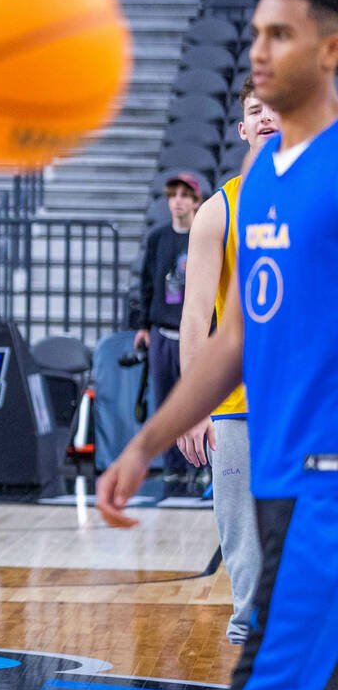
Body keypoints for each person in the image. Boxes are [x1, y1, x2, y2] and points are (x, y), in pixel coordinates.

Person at [98, 0, 338, 690]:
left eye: (282, 34)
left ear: (331, 50)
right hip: (274, 469)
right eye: (256, 35)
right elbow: (233, 335)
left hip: (326, 483)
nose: (260, 53)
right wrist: (146, 440)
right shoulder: (257, 191)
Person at [174, 76, 278, 646]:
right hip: (238, 406)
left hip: (311, 403)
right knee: (245, 544)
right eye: (255, 111)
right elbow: (194, 320)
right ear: (242, 129)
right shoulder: (218, 210)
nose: (266, 117)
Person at [134, 170, 204, 497]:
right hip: (162, 333)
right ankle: (173, 470)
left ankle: (201, 468)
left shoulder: (204, 235)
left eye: (184, 195)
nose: (177, 201)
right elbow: (147, 284)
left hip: (196, 335)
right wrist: (143, 326)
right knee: (165, 405)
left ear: (195, 200)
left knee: (198, 403)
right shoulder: (158, 238)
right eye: (172, 195)